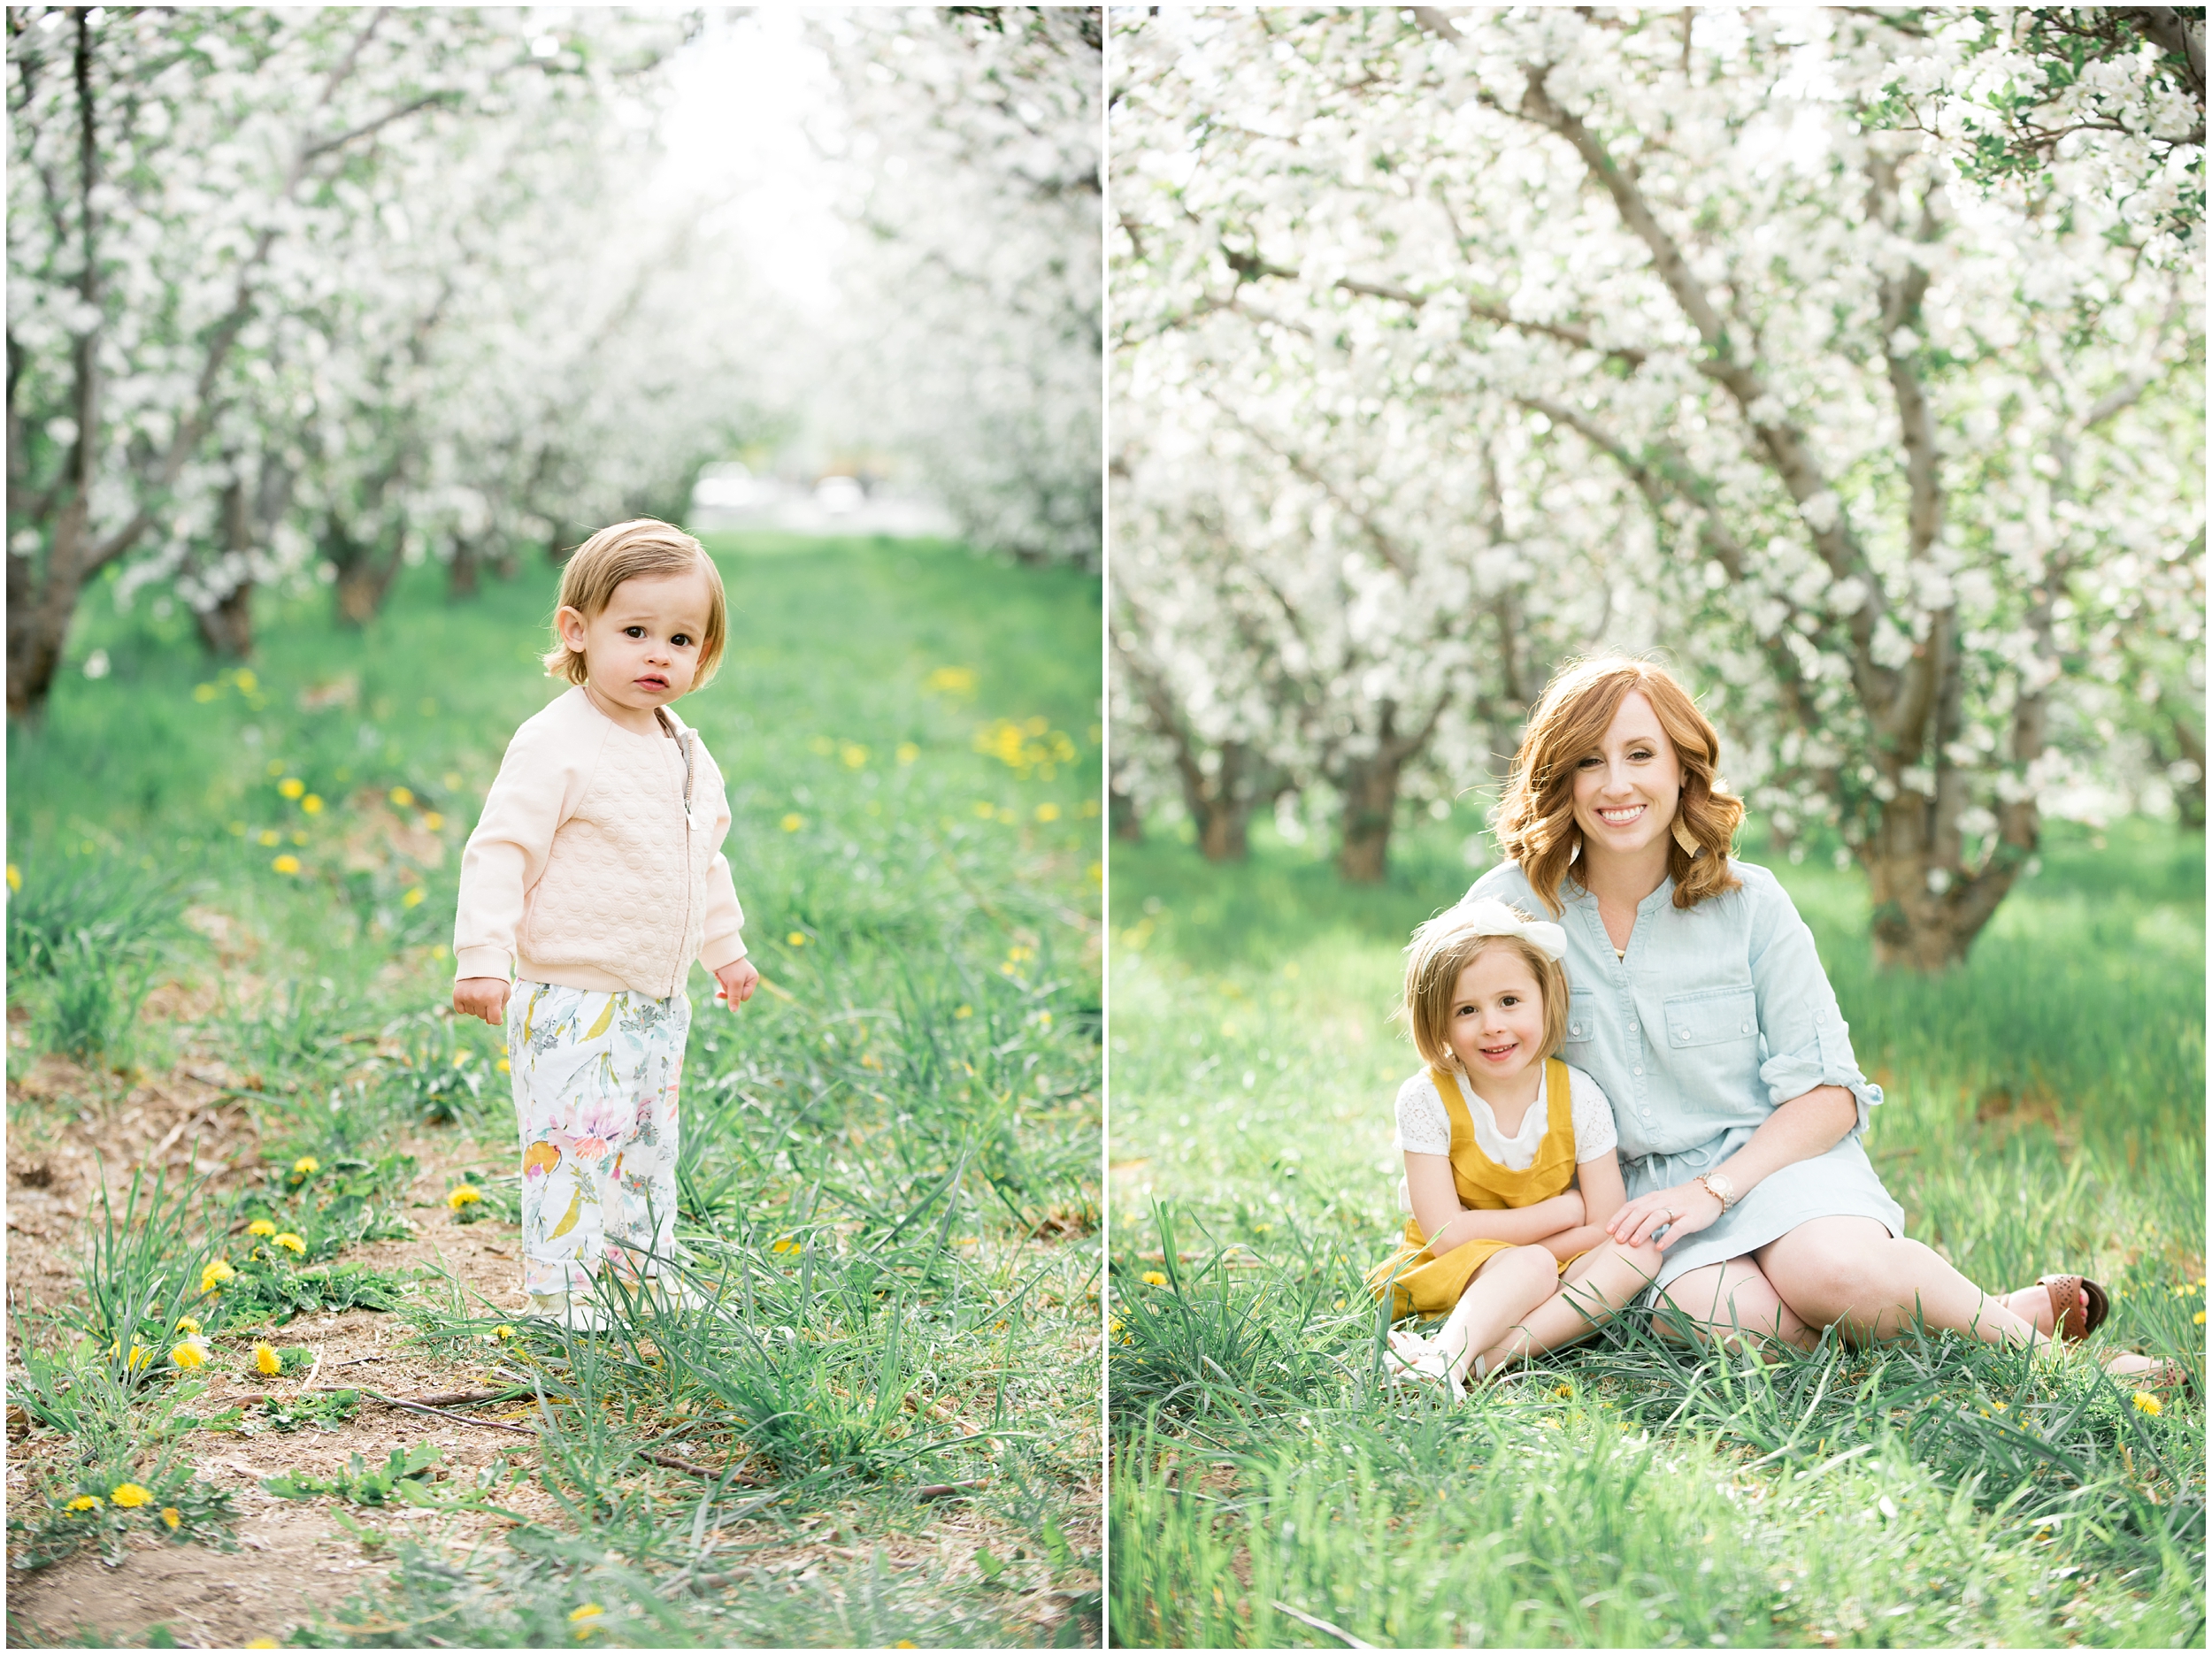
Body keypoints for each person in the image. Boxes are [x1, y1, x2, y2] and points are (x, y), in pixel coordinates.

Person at [1453, 655, 2175, 1385]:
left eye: (1641, 754)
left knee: (1833, 1272)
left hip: (1774, 1162)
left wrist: (1716, 1190)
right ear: (1560, 778)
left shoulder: (1750, 903)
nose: (1616, 785)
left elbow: (1830, 1093)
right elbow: (1455, 1061)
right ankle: (1988, 1310)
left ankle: (2065, 1367)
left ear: (1682, 769)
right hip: (1634, 1203)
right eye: (1588, 761)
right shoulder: (1508, 906)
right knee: (1727, 1321)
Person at [451, 519, 759, 1331]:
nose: (659, 653)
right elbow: (502, 848)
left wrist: (723, 948)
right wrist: (484, 955)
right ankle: (567, 1293)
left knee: (647, 1147)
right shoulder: (558, 739)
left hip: (659, 998)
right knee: (573, 1147)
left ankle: (639, 1274)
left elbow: (706, 854)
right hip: (571, 996)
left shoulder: (686, 748)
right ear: (576, 631)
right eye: (635, 632)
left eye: (682, 638)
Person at [1368, 899, 1665, 1397]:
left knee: (1639, 1254)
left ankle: (1471, 1361)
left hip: (1556, 1263)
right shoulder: (1426, 1099)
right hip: (1455, 1267)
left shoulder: (1579, 1097)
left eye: (1509, 1001)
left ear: (1545, 999)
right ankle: (1449, 1353)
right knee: (1527, 1266)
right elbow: (1447, 1234)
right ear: (1439, 1022)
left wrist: (1543, 1256)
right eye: (1467, 1010)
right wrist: (1561, 1212)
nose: (1492, 1025)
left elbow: (1603, 1225)